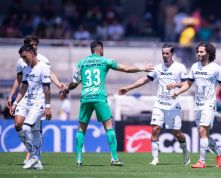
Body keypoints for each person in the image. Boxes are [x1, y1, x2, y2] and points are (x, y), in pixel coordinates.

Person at [61, 40, 153, 166]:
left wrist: (67, 88)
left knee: (82, 127)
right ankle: (114, 158)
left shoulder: (81, 63)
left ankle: (78, 159)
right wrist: (142, 68)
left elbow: (74, 83)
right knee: (108, 126)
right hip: (99, 97)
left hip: (86, 97)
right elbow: (125, 68)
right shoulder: (104, 61)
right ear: (100, 50)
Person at [118, 43, 190, 166]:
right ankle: (155, 158)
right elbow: (144, 79)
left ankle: (185, 152)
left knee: (177, 133)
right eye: (163, 53)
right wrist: (128, 88)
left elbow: (187, 84)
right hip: (159, 104)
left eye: (167, 53)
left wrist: (175, 86)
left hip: (173, 105)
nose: (165, 55)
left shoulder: (180, 67)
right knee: (155, 129)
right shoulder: (158, 68)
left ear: (172, 54)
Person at [172, 42, 221, 169]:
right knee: (204, 134)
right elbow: (188, 84)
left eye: (201, 52)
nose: (199, 54)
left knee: (202, 131)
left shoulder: (216, 69)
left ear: (208, 53)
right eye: (198, 51)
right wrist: (178, 91)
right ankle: (220, 153)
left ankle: (202, 161)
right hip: (198, 105)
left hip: (209, 104)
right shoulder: (195, 67)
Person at [6, 35, 63, 167]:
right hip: (26, 99)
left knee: (33, 129)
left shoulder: (43, 62)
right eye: (32, 44)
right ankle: (34, 154)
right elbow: (21, 82)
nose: (35, 47)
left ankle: (33, 155)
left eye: (36, 45)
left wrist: (58, 85)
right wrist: (13, 99)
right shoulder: (23, 63)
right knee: (19, 125)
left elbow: (48, 78)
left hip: (38, 101)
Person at [9, 44, 52, 169]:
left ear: (32, 54)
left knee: (27, 127)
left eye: (25, 57)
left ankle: (33, 156)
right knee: (34, 132)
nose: (24, 60)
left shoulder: (43, 67)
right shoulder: (26, 69)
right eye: (22, 58)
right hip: (27, 102)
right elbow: (23, 87)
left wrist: (48, 106)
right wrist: (15, 102)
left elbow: (47, 89)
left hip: (38, 103)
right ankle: (37, 159)